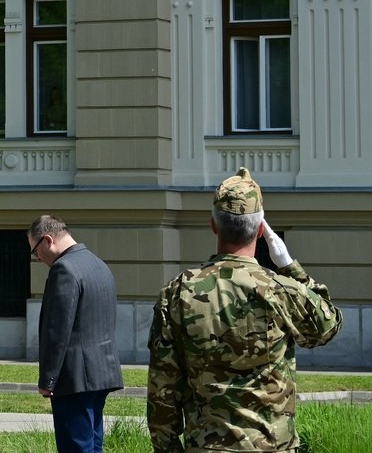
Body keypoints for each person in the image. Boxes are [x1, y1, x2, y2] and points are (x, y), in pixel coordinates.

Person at [147, 166, 342, 453]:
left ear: (213, 226)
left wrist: (167, 449)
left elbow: (163, 387)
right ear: (261, 230)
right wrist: (290, 267)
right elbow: (327, 326)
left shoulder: (177, 293)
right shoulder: (281, 290)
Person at [28, 215, 123, 453]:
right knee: (93, 445)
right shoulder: (98, 264)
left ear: (47, 240)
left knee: (76, 447)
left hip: (74, 377)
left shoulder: (64, 269)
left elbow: (57, 330)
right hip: (102, 372)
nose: (37, 257)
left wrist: (48, 380)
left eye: (35, 250)